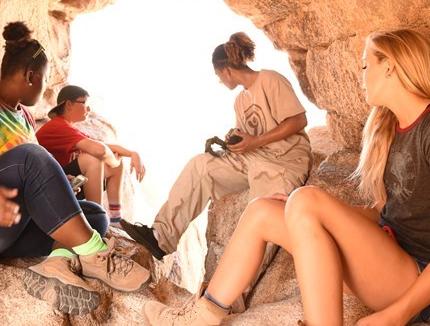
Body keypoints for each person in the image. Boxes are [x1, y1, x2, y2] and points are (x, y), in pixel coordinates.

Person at [142, 29, 430, 326]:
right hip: (384, 257)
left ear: (390, 66)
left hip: (420, 279)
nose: (360, 74)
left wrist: (395, 315)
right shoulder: (390, 129)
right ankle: (200, 317)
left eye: (366, 65)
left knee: (304, 200)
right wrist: (305, 211)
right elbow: (384, 212)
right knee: (262, 210)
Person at [0, 22, 150, 316]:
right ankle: (96, 254)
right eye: (45, 80)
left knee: (94, 215)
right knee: (31, 155)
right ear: (30, 76)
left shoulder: (23, 116)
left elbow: (30, 177)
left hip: (6, 228)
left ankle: (55, 265)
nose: (46, 89)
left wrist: (58, 184)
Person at [120, 31, 312, 310]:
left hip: (283, 161)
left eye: (218, 75)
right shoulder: (240, 100)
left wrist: (255, 141)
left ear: (226, 70)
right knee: (201, 165)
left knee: (261, 213)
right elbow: (249, 135)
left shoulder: (269, 79)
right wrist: (230, 141)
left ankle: (230, 299)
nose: (220, 80)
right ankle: (161, 238)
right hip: (254, 158)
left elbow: (298, 120)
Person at [36, 85, 146, 227]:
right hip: (46, 189)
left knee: (116, 167)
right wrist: (114, 162)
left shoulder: (71, 129)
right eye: (85, 104)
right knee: (93, 160)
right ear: (69, 104)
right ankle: (97, 218)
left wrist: (133, 154)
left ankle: (115, 220)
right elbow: (101, 151)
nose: (89, 109)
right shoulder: (58, 126)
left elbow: (106, 146)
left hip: (66, 183)